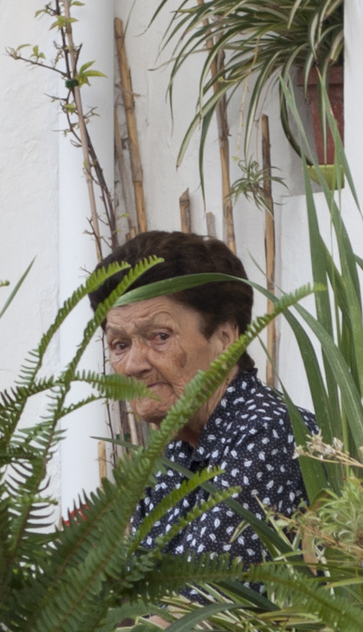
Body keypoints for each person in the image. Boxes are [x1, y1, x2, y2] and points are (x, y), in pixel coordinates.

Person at [87, 230, 313, 576]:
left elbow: (197, 613)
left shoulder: (266, 435)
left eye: (159, 337)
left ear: (224, 338)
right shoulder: (176, 450)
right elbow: (140, 596)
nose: (133, 365)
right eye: (120, 345)